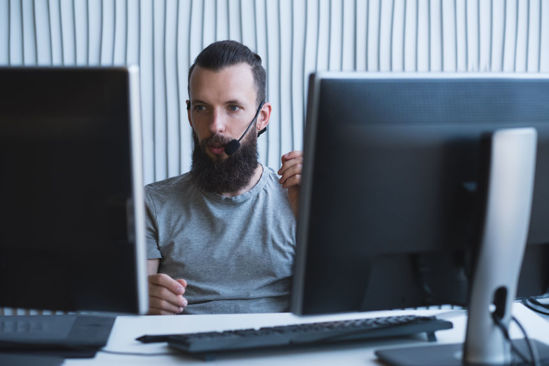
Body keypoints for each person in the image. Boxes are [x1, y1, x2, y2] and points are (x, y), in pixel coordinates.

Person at [145, 40, 303, 315]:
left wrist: (317, 213)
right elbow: (133, 310)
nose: (215, 125)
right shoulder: (151, 204)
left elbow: (335, 304)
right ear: (190, 115)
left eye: (233, 107)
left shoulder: (298, 196)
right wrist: (143, 302)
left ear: (262, 117)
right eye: (202, 107)